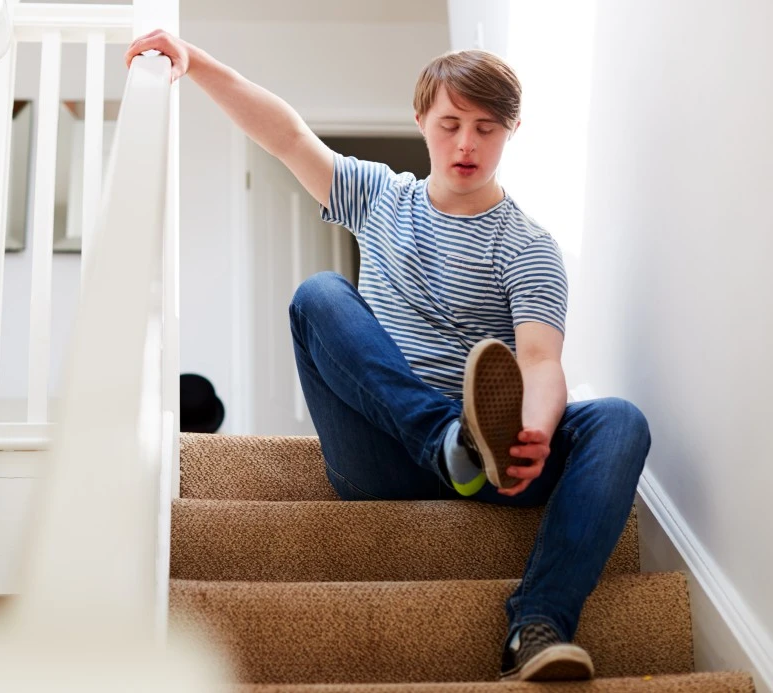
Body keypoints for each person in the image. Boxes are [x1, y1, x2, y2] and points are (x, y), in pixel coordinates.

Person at [125, 31, 650, 683]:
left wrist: (537, 432)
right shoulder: (378, 198)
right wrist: (196, 62)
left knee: (620, 420)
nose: (465, 144)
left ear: (511, 131)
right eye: (451, 123)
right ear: (421, 120)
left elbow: (540, 361)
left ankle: (536, 622)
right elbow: (286, 136)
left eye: (485, 128)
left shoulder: (528, 248)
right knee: (318, 294)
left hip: (493, 465)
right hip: (383, 453)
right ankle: (442, 439)